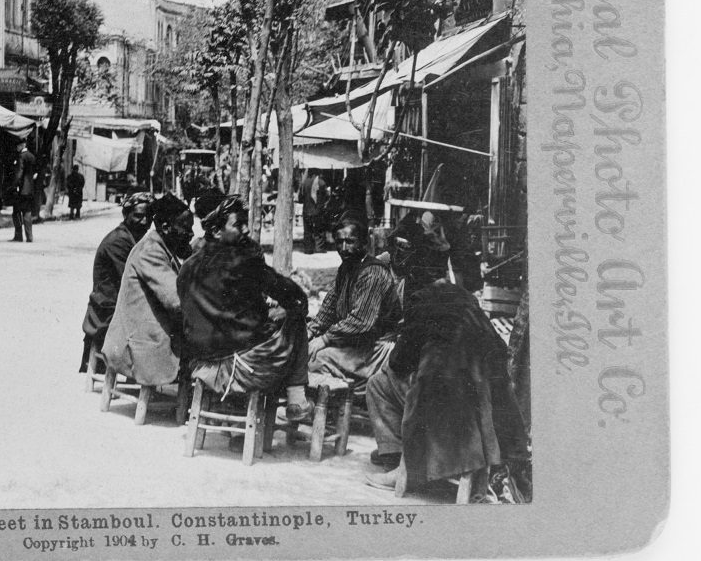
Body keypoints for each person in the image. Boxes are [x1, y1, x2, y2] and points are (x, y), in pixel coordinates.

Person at [364, 269, 527, 497]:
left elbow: (400, 361)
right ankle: (398, 453)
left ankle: (398, 461)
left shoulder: (420, 300)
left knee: (378, 383)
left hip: (448, 404)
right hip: (487, 405)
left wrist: (395, 357)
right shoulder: (465, 298)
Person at [180, 196, 314, 423]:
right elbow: (295, 296)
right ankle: (297, 399)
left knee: (264, 325)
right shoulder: (242, 261)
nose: (245, 229)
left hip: (199, 364)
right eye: (237, 224)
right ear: (216, 231)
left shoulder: (188, 266)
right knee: (295, 317)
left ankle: (234, 416)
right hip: (241, 368)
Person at [101, 193, 195, 391]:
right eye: (185, 228)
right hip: (141, 343)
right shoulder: (151, 251)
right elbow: (177, 301)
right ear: (166, 228)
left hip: (145, 334)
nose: (191, 234)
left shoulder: (161, 247)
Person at [307, 217, 402, 384]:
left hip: (376, 348)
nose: (344, 248)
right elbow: (329, 306)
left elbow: (361, 321)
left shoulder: (373, 273)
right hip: (354, 343)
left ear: (364, 242)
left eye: (350, 242)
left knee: (316, 358)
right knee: (303, 352)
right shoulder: (347, 268)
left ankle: (347, 398)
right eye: (339, 242)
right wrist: (310, 331)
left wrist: (324, 339)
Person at [80, 193, 152, 371]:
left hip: (115, 304)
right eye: (138, 216)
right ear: (126, 215)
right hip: (108, 310)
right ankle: (148, 375)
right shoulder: (119, 241)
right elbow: (131, 281)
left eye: (148, 217)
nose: (144, 221)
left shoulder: (130, 237)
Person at [10, 140, 42, 243]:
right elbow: (36, 172)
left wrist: (15, 185)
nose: (16, 148)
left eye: (17, 146)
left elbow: (20, 172)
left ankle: (18, 236)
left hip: (21, 189)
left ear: (21, 145)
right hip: (30, 189)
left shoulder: (21, 156)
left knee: (16, 212)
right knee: (27, 212)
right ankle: (29, 236)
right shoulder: (32, 156)